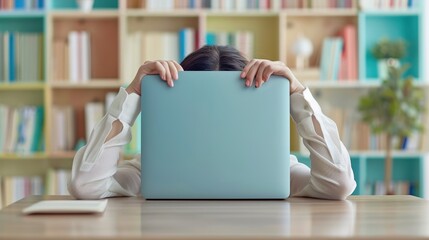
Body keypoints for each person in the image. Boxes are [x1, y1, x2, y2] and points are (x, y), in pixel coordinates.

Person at [68, 45, 356, 200]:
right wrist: (133, 93)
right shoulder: (152, 168)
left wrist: (296, 92)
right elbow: (86, 185)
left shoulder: (275, 169)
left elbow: (339, 184)